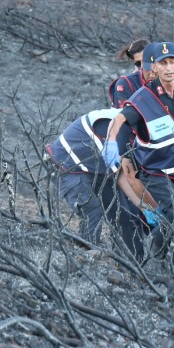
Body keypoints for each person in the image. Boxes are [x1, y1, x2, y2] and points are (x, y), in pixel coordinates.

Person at [104, 41, 174, 262]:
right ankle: (158, 250)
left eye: (172, 62)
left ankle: (170, 267)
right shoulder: (143, 97)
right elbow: (118, 120)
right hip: (156, 172)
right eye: (162, 63)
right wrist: (110, 143)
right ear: (153, 68)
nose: (168, 68)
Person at [46, 106, 134, 248]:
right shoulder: (111, 128)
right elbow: (123, 178)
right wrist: (147, 208)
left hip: (95, 167)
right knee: (92, 210)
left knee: (121, 212)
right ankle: (86, 255)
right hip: (67, 166)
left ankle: (127, 261)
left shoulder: (134, 126)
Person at [107, 38, 149, 108]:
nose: (142, 66)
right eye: (138, 63)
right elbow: (124, 114)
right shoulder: (126, 83)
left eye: (146, 61)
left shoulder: (168, 75)